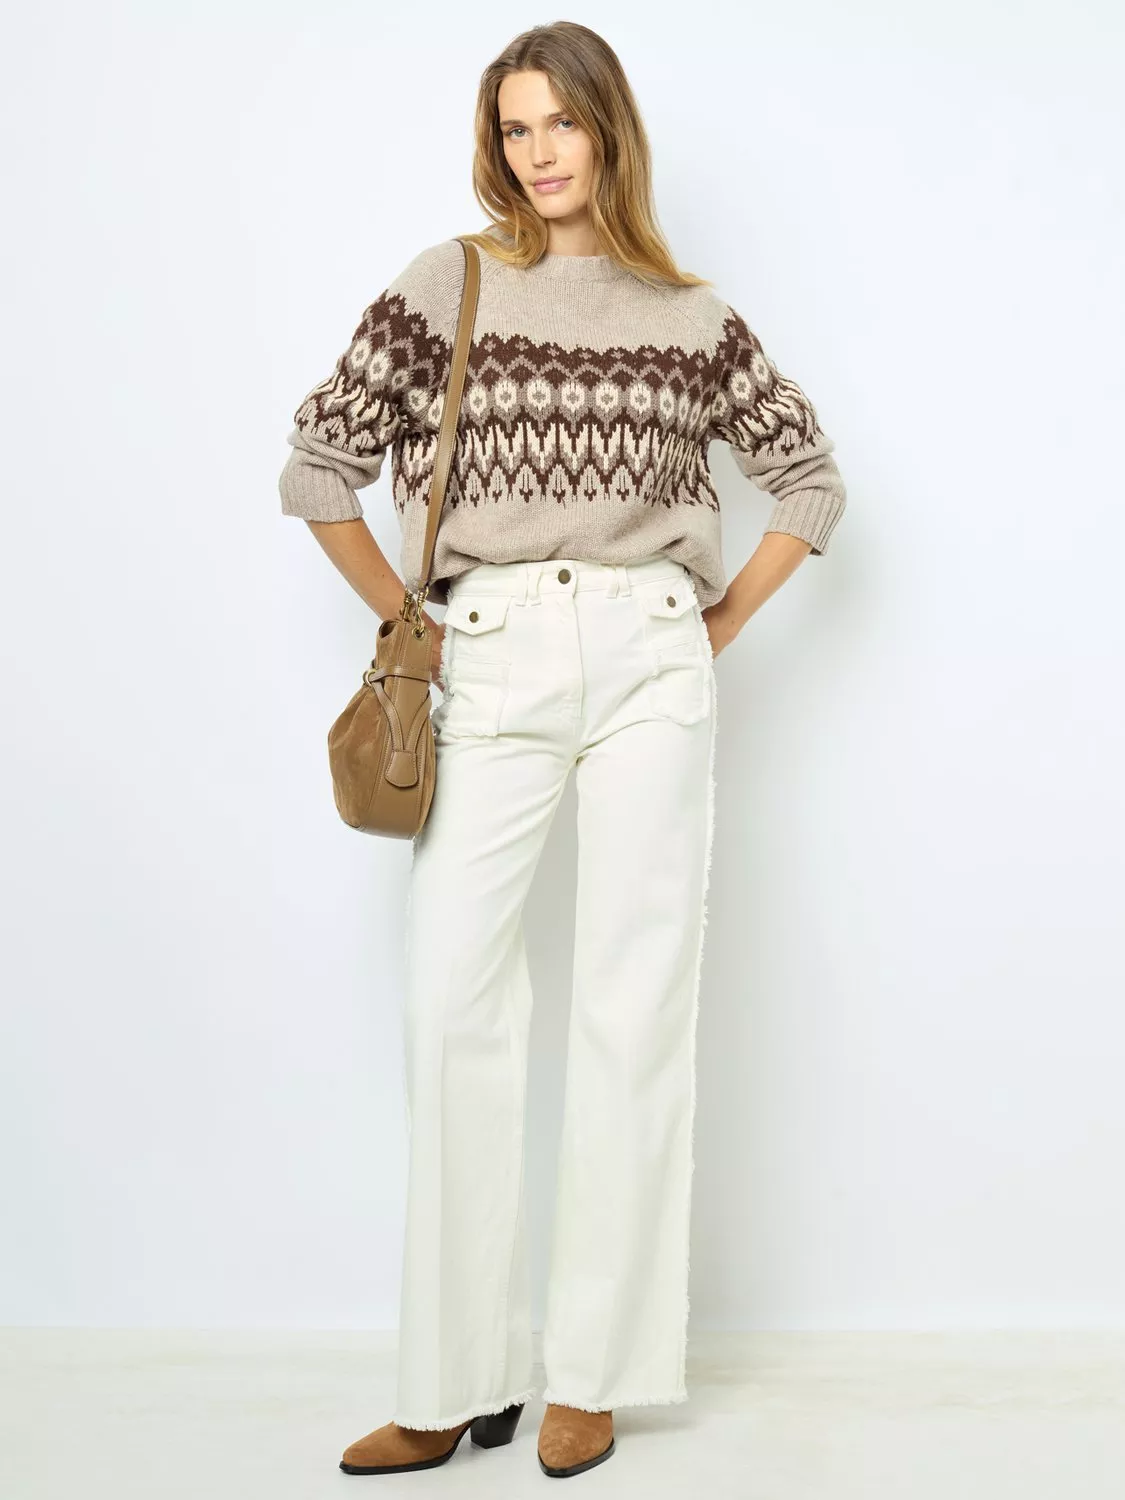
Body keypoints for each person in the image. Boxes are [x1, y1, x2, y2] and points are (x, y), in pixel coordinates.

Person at [278, 20, 847, 1481]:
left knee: (631, 1003)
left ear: (609, 130)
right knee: (451, 996)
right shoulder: (449, 282)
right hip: (492, 646)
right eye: (515, 128)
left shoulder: (691, 315)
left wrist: (715, 623)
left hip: (654, 653)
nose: (539, 153)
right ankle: (454, 1378)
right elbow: (318, 463)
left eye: (561, 123)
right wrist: (409, 615)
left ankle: (594, 1371)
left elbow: (809, 479)